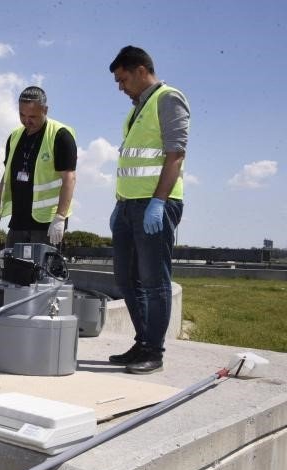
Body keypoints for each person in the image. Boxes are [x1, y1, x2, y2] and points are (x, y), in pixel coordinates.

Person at [107, 46, 190, 374]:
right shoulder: (135, 110)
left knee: (155, 281)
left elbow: (175, 154)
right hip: (128, 207)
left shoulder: (168, 99)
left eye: (122, 79)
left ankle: (154, 351)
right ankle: (142, 342)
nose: (120, 86)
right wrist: (120, 204)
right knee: (126, 279)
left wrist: (158, 202)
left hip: (156, 205)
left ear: (141, 70)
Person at [0, 86, 77, 248]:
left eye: (33, 116)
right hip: (18, 221)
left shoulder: (60, 135)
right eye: (22, 115)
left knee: (43, 272)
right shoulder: (15, 137)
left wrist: (60, 217)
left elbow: (69, 178)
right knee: (13, 271)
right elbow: (6, 176)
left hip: (46, 224)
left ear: (45, 110)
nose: (26, 121)